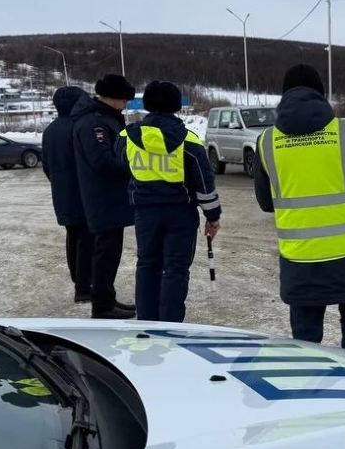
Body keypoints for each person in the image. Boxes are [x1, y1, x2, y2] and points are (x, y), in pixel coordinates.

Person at [254, 63, 345, 355]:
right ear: (320, 94)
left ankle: (311, 397)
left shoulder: (267, 142)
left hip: (300, 261)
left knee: (306, 341)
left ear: (284, 95)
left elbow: (265, 202)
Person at [118, 81, 222, 323]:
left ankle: (146, 319)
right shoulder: (190, 141)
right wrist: (213, 216)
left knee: (147, 265)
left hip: (144, 213)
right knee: (175, 269)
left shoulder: (127, 137)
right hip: (180, 214)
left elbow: (120, 166)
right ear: (176, 107)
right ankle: (171, 323)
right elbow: (204, 185)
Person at [71, 73, 137, 320]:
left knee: (110, 252)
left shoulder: (105, 118)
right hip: (104, 198)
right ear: (115, 98)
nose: (126, 105)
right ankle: (101, 306)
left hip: (110, 198)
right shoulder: (94, 124)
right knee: (105, 253)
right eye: (125, 100)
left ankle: (106, 299)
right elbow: (103, 162)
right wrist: (134, 164)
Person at [41, 85, 93, 303]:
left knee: (73, 236)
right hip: (82, 192)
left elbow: (47, 166)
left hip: (61, 192)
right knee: (87, 239)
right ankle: (83, 287)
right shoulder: (79, 127)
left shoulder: (50, 130)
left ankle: (77, 280)